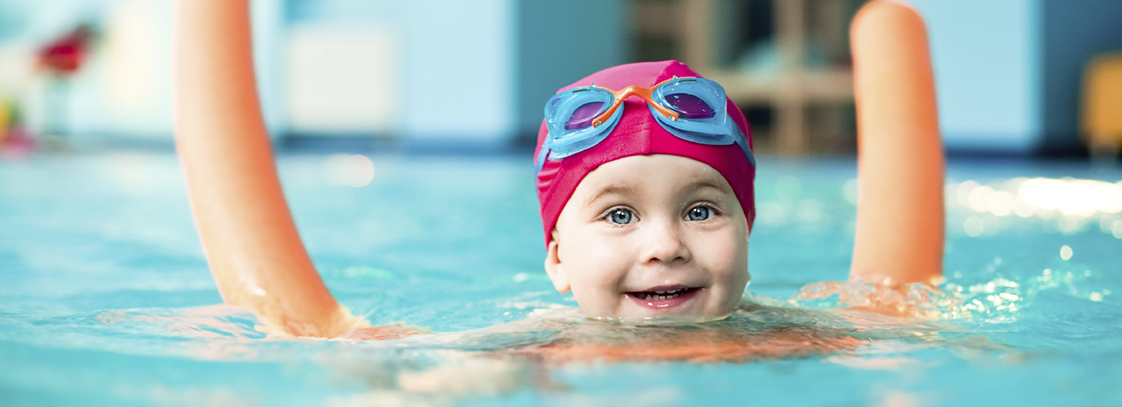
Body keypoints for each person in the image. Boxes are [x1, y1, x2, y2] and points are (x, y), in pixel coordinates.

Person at [173, 0, 944, 359]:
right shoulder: (546, 346)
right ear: (555, 258)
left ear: (749, 232)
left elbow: (906, 338)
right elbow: (414, 360)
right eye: (617, 217)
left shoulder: (786, 336)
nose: (665, 245)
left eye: (703, 208)